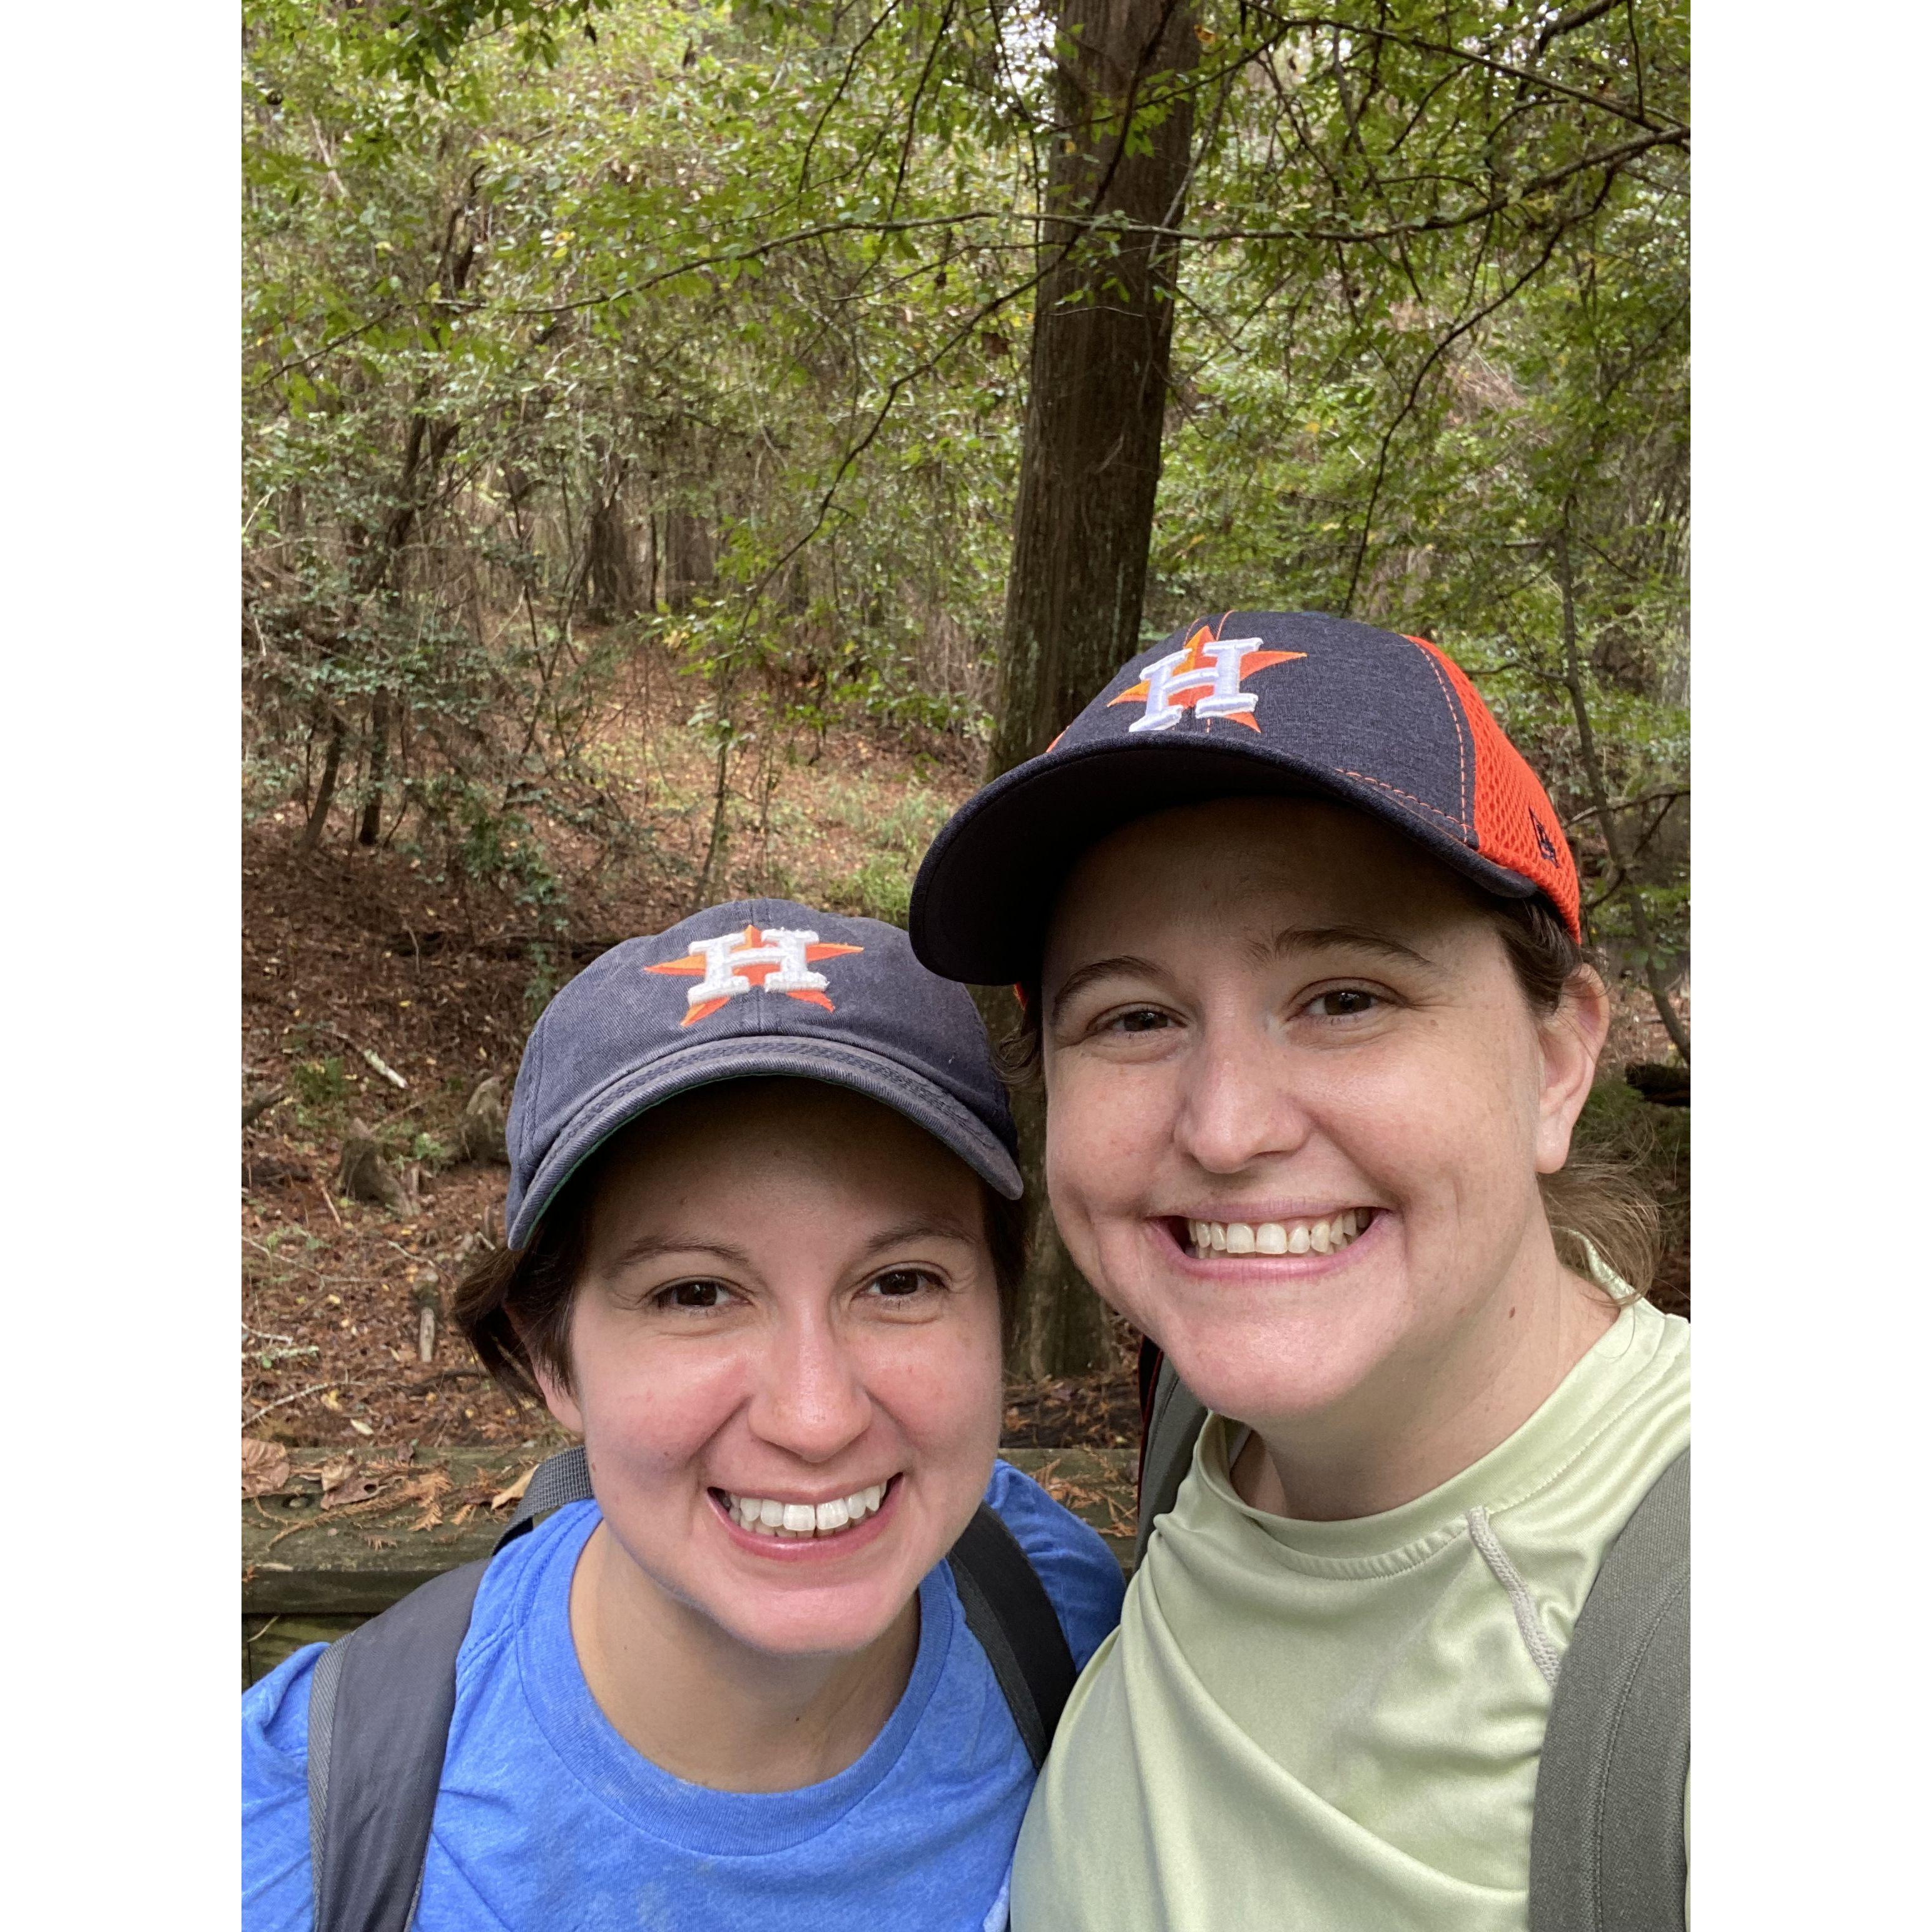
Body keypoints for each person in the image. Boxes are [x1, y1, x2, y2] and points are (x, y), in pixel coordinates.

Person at [907, 611, 1690, 1931]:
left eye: (1344, 995)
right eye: (1133, 1016)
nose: (1224, 1125)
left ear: (1556, 1062)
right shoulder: (1205, 1432)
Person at [242, 900, 1124, 1932]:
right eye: (695, 1295)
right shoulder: (299, 1832)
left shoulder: (1059, 1617)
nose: (815, 1416)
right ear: (552, 1361)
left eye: (900, 1282)